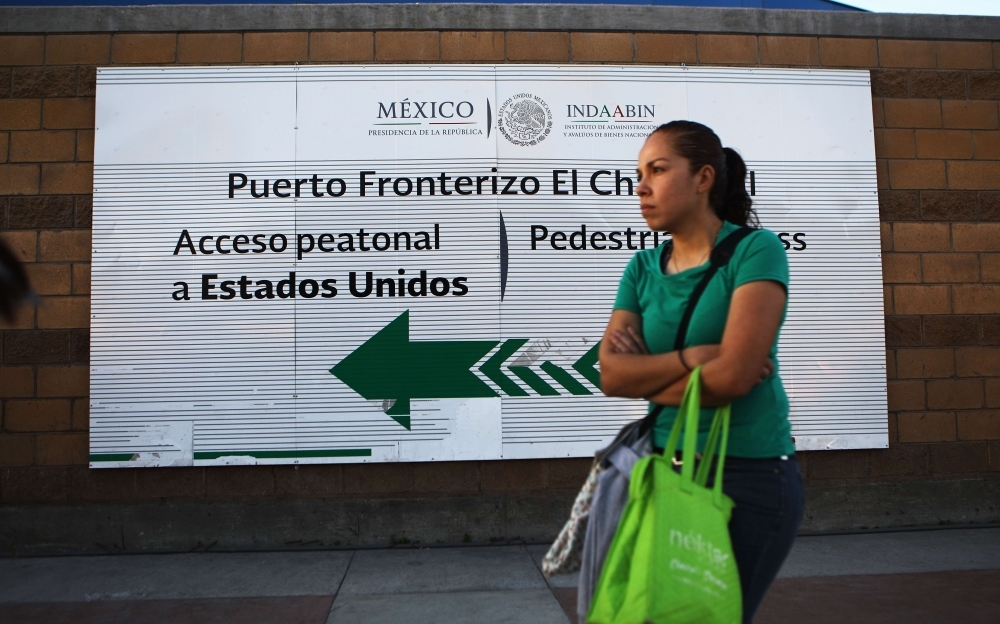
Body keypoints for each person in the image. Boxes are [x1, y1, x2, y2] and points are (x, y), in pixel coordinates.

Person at [598, 120, 803, 623]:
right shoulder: (642, 267)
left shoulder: (755, 251)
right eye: (639, 173)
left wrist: (646, 373)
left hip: (749, 477)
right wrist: (693, 361)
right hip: (664, 470)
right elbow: (610, 377)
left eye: (659, 170)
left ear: (704, 177)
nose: (641, 186)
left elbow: (734, 378)